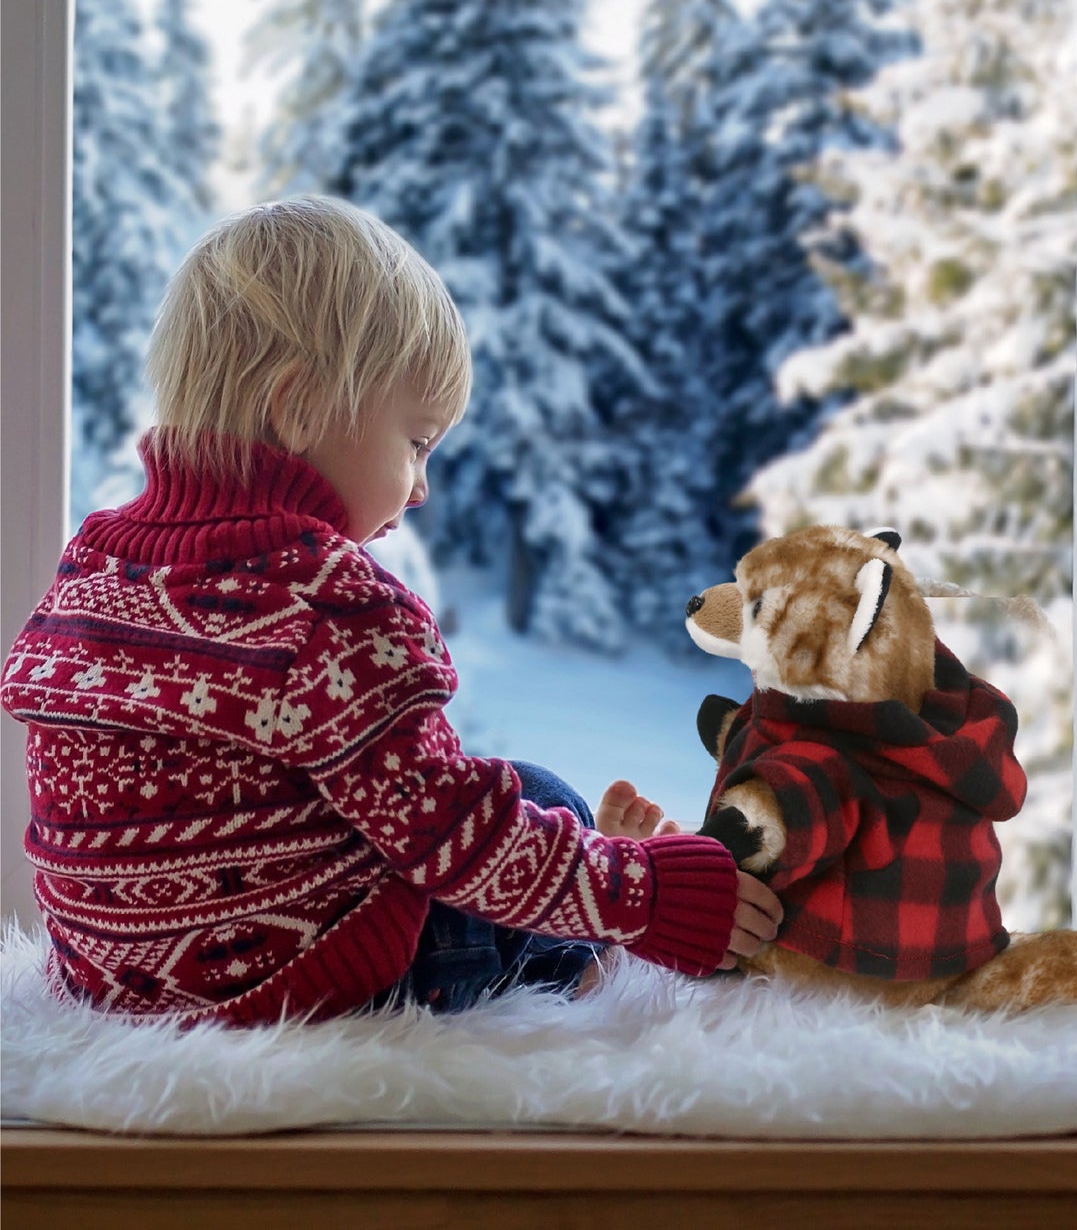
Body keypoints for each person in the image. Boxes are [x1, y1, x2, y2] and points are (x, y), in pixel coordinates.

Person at [1, 196, 780, 1023]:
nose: (419, 487)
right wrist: (649, 896)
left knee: (467, 802)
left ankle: (584, 888)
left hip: (109, 978)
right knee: (537, 795)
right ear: (297, 407)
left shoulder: (95, 561)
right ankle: (585, 949)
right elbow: (453, 838)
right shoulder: (332, 604)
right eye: (414, 442)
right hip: (300, 982)